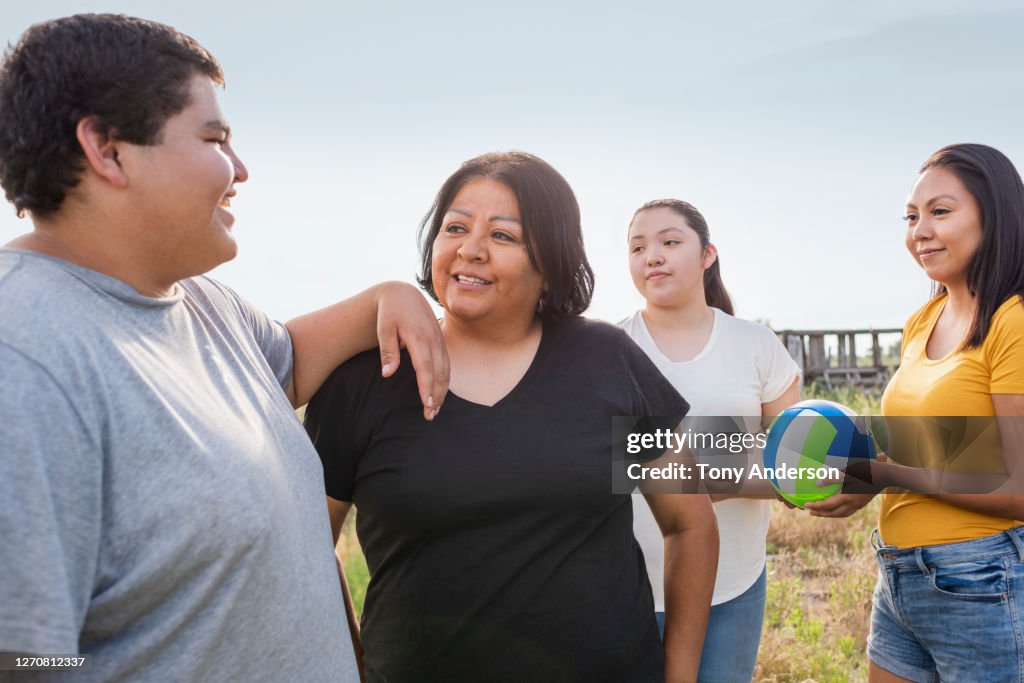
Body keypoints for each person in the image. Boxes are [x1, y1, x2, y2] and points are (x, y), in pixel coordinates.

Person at [0, 14, 448, 682]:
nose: (240, 169)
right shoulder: (26, 358)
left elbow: (288, 359)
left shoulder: (205, 305)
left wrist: (388, 295)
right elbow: (23, 658)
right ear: (107, 149)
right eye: (215, 138)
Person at [304, 151, 718, 683]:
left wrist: (679, 678)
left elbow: (689, 524)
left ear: (549, 261)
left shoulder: (606, 360)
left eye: (503, 236)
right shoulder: (367, 378)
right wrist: (353, 668)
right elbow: (310, 547)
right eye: (455, 227)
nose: (470, 249)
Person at [805, 143, 1024, 682]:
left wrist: (887, 474)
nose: (919, 231)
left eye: (940, 212)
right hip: (900, 573)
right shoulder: (923, 320)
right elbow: (921, 453)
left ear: (995, 217)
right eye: (911, 216)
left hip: (981, 578)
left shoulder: (1013, 321)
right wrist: (861, 475)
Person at [621, 199, 801, 682]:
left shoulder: (758, 345)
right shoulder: (608, 349)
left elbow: (800, 469)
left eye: (670, 242)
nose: (651, 256)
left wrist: (674, 471)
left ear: (707, 255)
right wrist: (742, 464)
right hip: (625, 585)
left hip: (734, 585)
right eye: (637, 247)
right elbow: (598, 470)